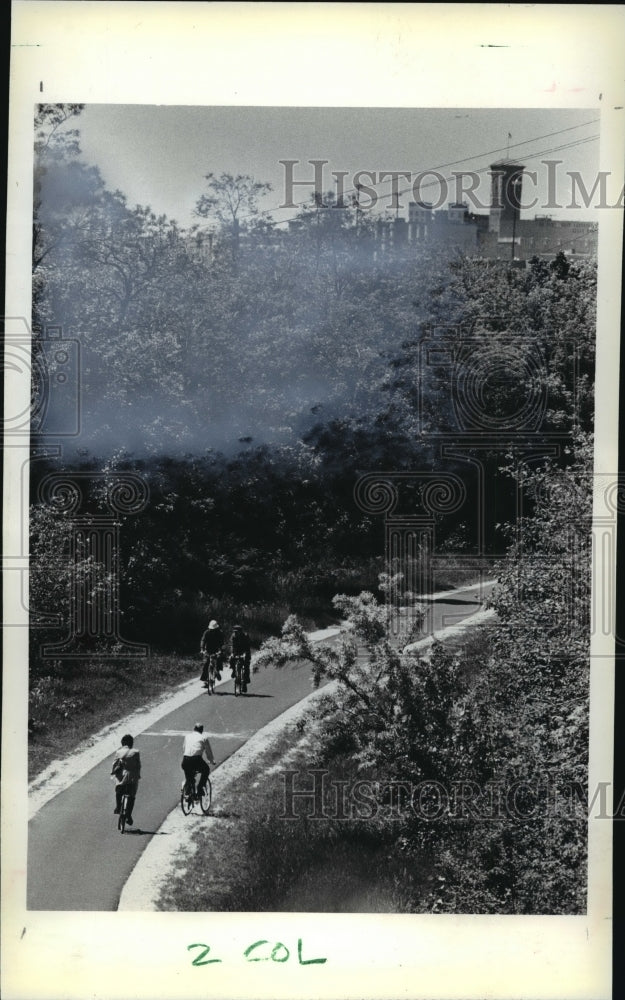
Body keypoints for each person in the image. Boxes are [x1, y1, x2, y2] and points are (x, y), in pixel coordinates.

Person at [111, 733, 141, 825]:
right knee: (132, 796)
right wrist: (138, 775)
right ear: (131, 743)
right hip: (132, 777)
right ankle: (129, 815)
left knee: (118, 789)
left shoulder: (118, 752)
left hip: (121, 777)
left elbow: (114, 765)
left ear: (122, 743)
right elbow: (138, 766)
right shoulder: (136, 752)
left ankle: (118, 806)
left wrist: (113, 773)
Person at [181, 723, 216, 796]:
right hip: (196, 760)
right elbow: (208, 752)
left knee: (189, 777)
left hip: (185, 760)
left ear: (194, 729)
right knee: (206, 770)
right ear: (202, 731)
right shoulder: (203, 738)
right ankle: (200, 787)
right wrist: (211, 760)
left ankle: (187, 789)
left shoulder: (187, 736)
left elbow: (184, 748)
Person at [199, 619, 225, 684]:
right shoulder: (206, 632)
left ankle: (217, 672)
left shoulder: (220, 633)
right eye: (211, 629)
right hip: (208, 650)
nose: (212, 630)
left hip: (216, 650)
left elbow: (222, 643)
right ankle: (205, 680)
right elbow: (203, 640)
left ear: (216, 628)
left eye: (214, 629)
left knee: (219, 659)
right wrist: (202, 649)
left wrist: (221, 650)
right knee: (206, 663)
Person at [229, 624, 252, 692]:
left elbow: (248, 646)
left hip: (245, 651)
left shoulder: (245, 636)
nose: (235, 633)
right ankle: (233, 670)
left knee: (246, 666)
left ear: (240, 631)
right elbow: (232, 645)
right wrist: (232, 653)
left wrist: (245, 654)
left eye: (237, 631)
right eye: (235, 631)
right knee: (231, 659)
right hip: (236, 651)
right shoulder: (233, 636)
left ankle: (244, 683)